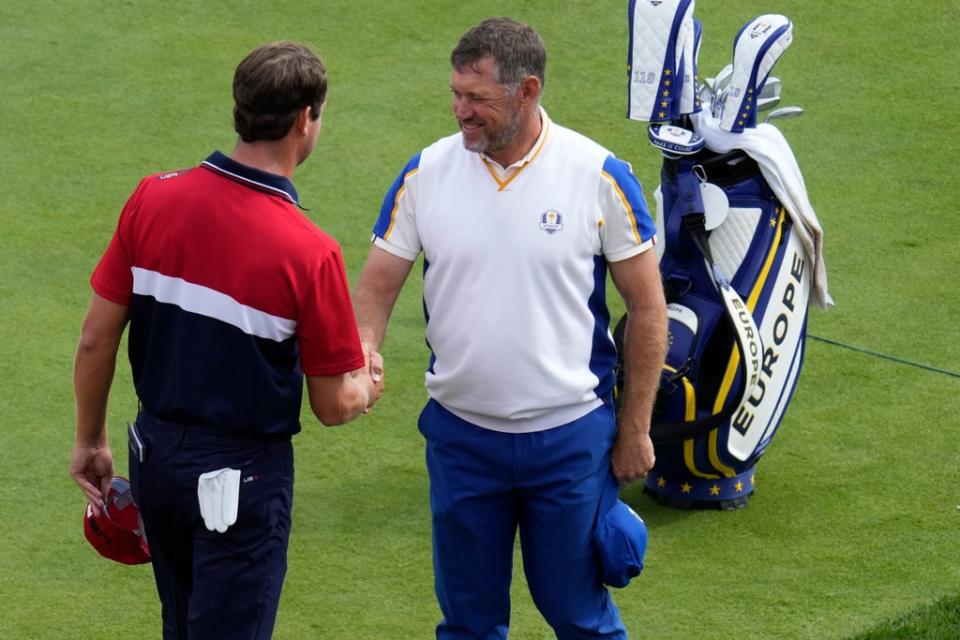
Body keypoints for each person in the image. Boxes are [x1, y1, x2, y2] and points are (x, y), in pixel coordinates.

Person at [352, 17, 668, 640]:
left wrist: (634, 429)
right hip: (462, 440)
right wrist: (362, 351)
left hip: (569, 440)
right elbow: (377, 285)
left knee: (576, 614)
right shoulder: (426, 174)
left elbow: (649, 310)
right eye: (456, 95)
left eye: (477, 100)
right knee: (468, 622)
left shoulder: (598, 175)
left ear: (527, 92)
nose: (460, 111)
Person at [69, 41, 382, 640]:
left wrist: (90, 440)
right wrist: (366, 383)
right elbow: (332, 404)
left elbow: (94, 340)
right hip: (242, 479)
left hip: (152, 457)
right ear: (304, 120)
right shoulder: (309, 251)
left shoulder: (151, 198)